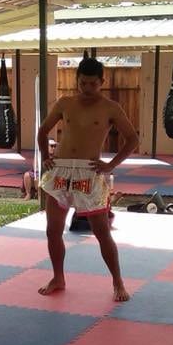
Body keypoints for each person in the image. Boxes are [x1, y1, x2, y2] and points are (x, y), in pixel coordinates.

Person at [36, 56, 139, 301]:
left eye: (93, 84)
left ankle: (117, 281)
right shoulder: (65, 102)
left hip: (89, 172)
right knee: (52, 231)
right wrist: (45, 157)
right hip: (60, 172)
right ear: (77, 80)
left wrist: (111, 165)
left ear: (102, 81)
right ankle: (58, 277)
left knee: (102, 232)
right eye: (83, 83)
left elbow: (132, 139)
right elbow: (42, 131)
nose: (88, 88)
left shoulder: (110, 107)